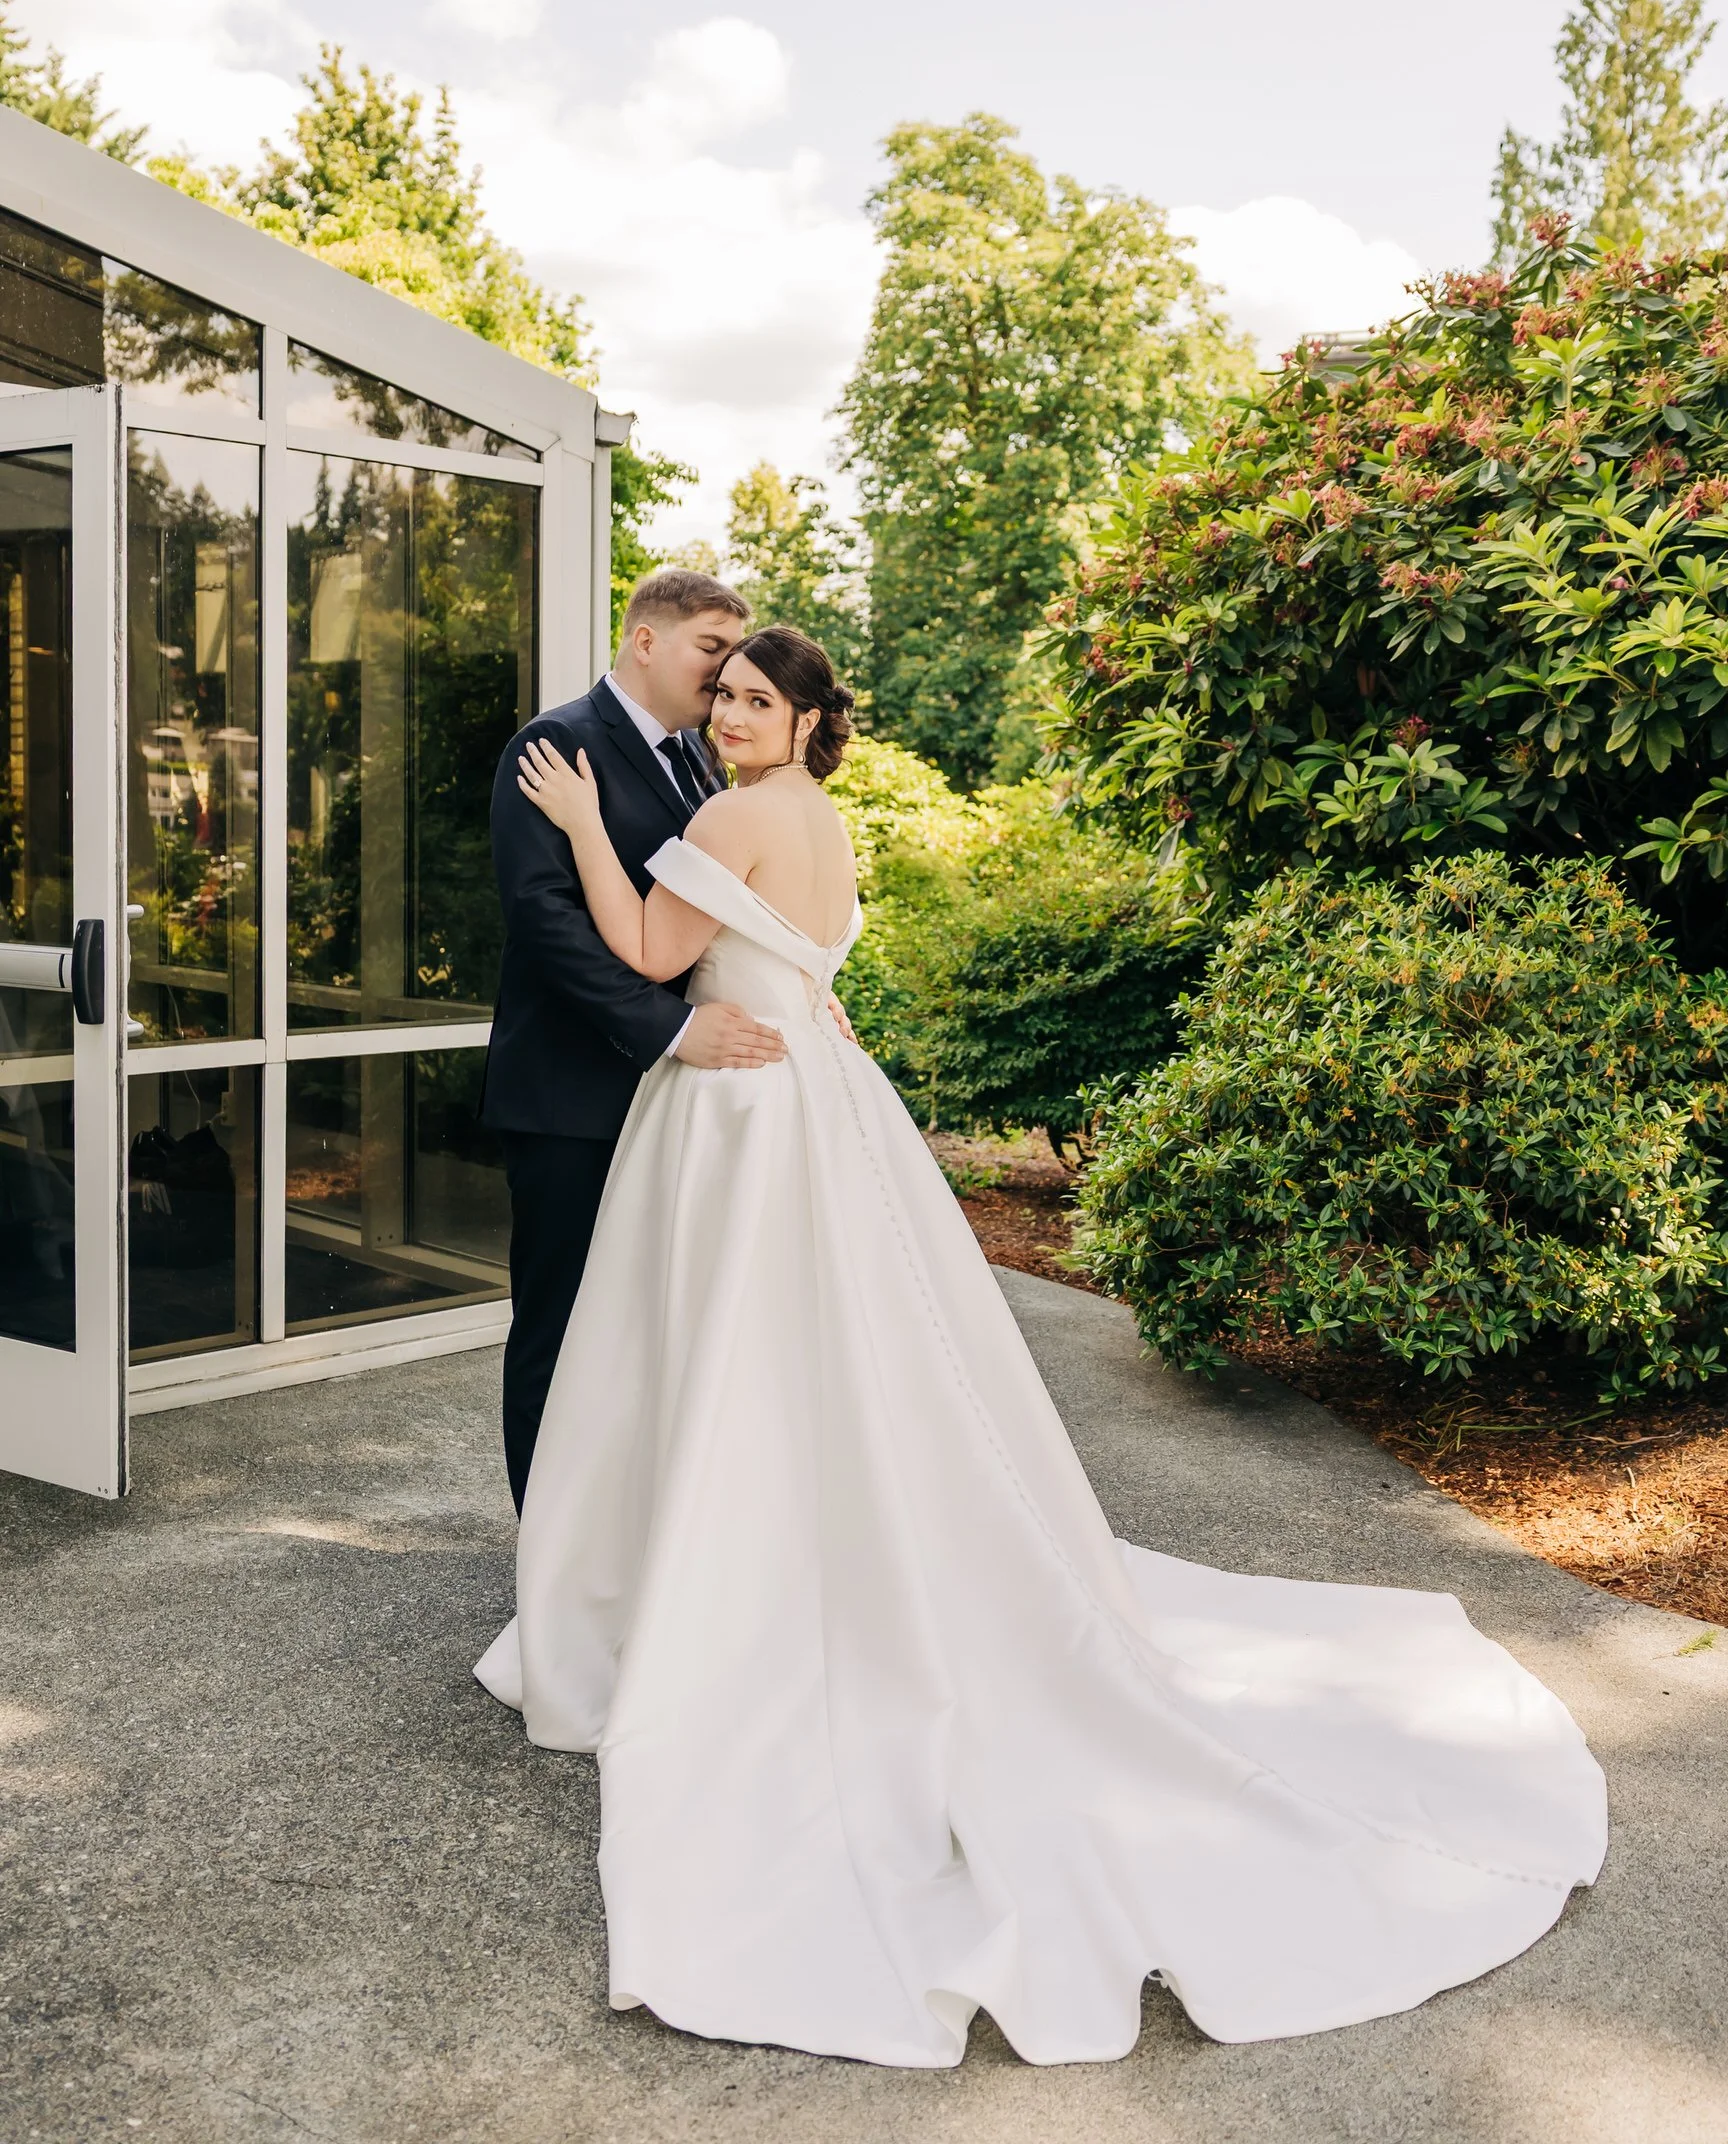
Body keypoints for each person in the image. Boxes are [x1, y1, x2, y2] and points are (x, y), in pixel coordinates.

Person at [476, 624, 1607, 2066]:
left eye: (760, 701)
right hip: (822, 1095)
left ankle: (740, 1587)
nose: (735, 715)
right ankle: (798, 1555)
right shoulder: (819, 820)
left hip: (742, 1121)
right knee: (840, 1364)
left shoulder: (728, 811)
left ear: (809, 718)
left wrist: (581, 827)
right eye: (728, 698)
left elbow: (644, 949)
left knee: (727, 1366)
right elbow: (799, 961)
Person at [481, 566, 783, 1515]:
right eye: (710, 648)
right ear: (645, 639)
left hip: (671, 1107)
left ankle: (624, 1548)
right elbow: (545, 918)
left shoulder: (705, 760)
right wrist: (674, 1030)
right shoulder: (557, 743)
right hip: (572, 1098)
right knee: (561, 1332)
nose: (723, 672)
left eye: (735, 655)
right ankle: (548, 1555)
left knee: (651, 1332)